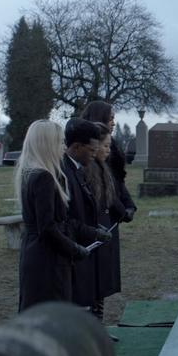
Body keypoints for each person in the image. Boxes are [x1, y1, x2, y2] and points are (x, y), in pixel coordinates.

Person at [15, 120, 90, 311]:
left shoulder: (28, 173)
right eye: (60, 142)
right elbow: (47, 228)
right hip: (47, 259)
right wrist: (74, 249)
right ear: (47, 145)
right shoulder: (43, 178)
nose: (63, 148)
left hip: (34, 252)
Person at [80, 101, 136, 305]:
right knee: (93, 277)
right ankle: (93, 327)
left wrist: (129, 205)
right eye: (110, 118)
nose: (114, 122)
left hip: (111, 218)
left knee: (103, 276)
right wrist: (122, 210)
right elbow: (104, 188)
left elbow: (118, 181)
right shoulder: (91, 152)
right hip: (98, 219)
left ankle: (98, 323)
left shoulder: (110, 145)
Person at [61, 118, 113, 310]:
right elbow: (66, 218)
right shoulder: (65, 171)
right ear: (76, 147)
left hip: (81, 242)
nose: (94, 154)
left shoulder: (77, 169)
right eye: (91, 150)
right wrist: (91, 232)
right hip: (71, 247)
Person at [85, 122, 125, 321]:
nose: (109, 151)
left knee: (100, 286)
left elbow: (112, 197)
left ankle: (98, 324)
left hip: (103, 230)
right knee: (91, 288)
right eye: (106, 146)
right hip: (91, 234)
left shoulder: (103, 169)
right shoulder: (87, 171)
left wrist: (125, 210)